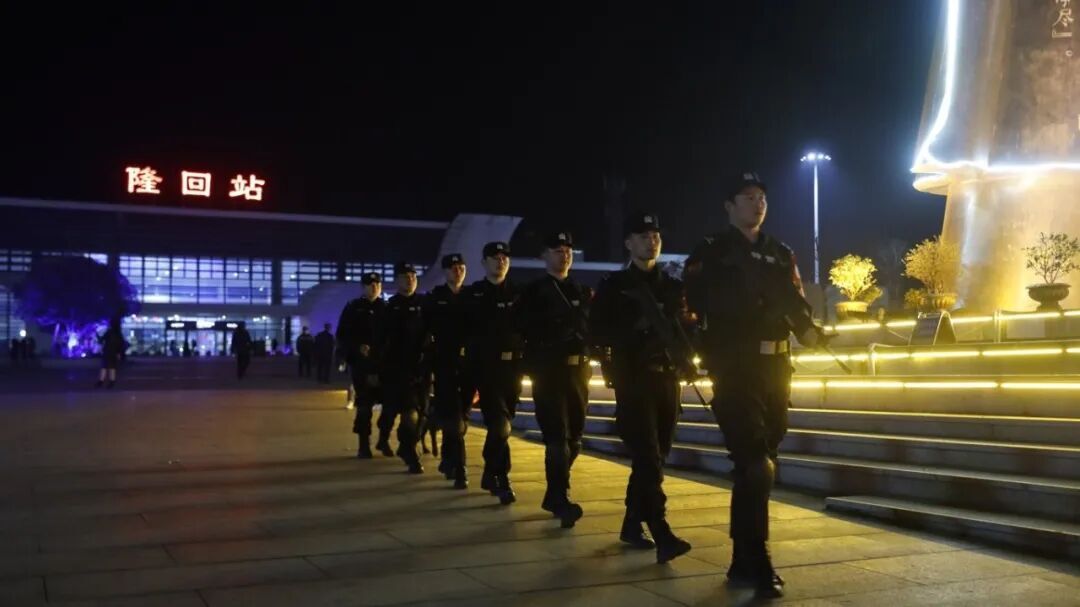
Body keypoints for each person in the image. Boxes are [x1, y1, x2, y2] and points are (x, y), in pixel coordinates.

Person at [683, 172, 820, 599]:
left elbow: (796, 302)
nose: (757, 203)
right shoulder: (711, 251)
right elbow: (689, 308)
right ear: (729, 206)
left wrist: (809, 330)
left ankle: (741, 558)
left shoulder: (780, 252)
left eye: (762, 197)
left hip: (776, 367)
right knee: (756, 463)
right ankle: (759, 559)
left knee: (757, 464)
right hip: (735, 367)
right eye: (748, 197)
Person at [589, 212, 693, 564]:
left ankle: (632, 524)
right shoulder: (614, 286)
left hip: (667, 379)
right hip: (634, 380)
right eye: (644, 236)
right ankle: (661, 530)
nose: (652, 241)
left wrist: (687, 354)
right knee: (648, 457)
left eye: (655, 235)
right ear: (628, 243)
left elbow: (687, 329)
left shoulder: (672, 285)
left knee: (656, 457)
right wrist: (635, 333)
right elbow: (597, 332)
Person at [515, 231, 591, 528]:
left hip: (578, 372)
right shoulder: (534, 292)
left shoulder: (581, 290)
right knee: (557, 438)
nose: (564, 254)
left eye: (568, 249)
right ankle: (561, 499)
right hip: (549, 371)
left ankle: (553, 492)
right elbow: (522, 328)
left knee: (575, 440)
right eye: (557, 250)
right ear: (544, 256)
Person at [463, 241, 524, 505]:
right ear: (484, 262)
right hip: (486, 369)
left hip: (513, 369)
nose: (501, 261)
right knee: (500, 425)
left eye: (504, 257)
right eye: (495, 257)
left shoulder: (520, 293)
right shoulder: (474, 294)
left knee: (504, 424)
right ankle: (500, 477)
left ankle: (491, 473)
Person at [423, 253, 471, 489]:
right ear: (445, 271)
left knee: (462, 417)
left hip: (469, 366)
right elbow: (424, 333)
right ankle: (460, 468)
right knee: (454, 417)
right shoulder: (435, 298)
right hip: (444, 366)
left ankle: (448, 458)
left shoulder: (472, 296)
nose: (457, 271)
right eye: (453, 268)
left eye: (461, 267)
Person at [378, 262, 428, 474]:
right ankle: (409, 451)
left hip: (423, 369)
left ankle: (407, 445)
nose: (410, 280)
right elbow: (380, 341)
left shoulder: (425, 304)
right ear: (397, 280)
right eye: (405, 277)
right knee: (408, 411)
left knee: (422, 413)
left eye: (413, 276)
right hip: (398, 370)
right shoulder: (389, 308)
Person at [336, 273, 386, 458]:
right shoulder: (353, 308)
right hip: (362, 365)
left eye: (377, 284)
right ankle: (364, 444)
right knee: (364, 405)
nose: (374, 287)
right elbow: (342, 335)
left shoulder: (386, 307)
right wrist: (356, 348)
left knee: (389, 404)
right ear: (363, 287)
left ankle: (383, 438)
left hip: (383, 364)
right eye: (370, 284)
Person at [96, 321, 125, 388]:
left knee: (104, 366)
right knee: (112, 367)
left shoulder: (109, 332)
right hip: (114, 352)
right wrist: (119, 353)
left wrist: (97, 336)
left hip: (107, 351)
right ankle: (112, 381)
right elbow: (121, 344)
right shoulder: (118, 333)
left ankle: (101, 381)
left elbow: (101, 340)